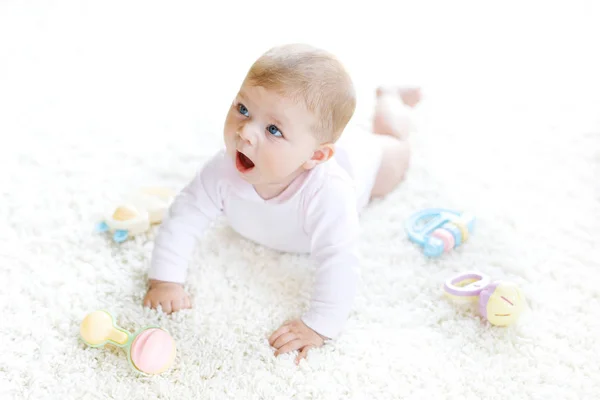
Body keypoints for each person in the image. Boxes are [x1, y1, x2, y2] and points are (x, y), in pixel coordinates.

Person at [143, 43, 420, 364]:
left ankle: (389, 99)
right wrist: (165, 280)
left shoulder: (330, 194)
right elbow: (183, 217)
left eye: (273, 129)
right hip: (316, 143)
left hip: (368, 163)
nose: (246, 132)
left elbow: (340, 260)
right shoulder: (221, 170)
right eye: (243, 109)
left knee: (397, 151)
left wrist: (320, 325)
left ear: (316, 156)